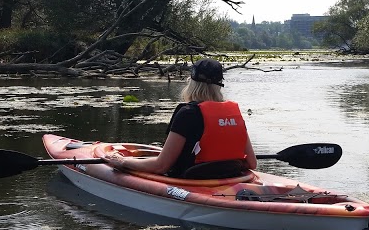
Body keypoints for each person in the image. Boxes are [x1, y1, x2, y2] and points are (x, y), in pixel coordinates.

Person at [105, 58, 257, 177]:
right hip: (229, 178)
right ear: (219, 84)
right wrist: (226, 165)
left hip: (193, 181)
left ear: (192, 83)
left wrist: (123, 161)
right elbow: (252, 163)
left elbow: (161, 166)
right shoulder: (232, 113)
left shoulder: (187, 113)